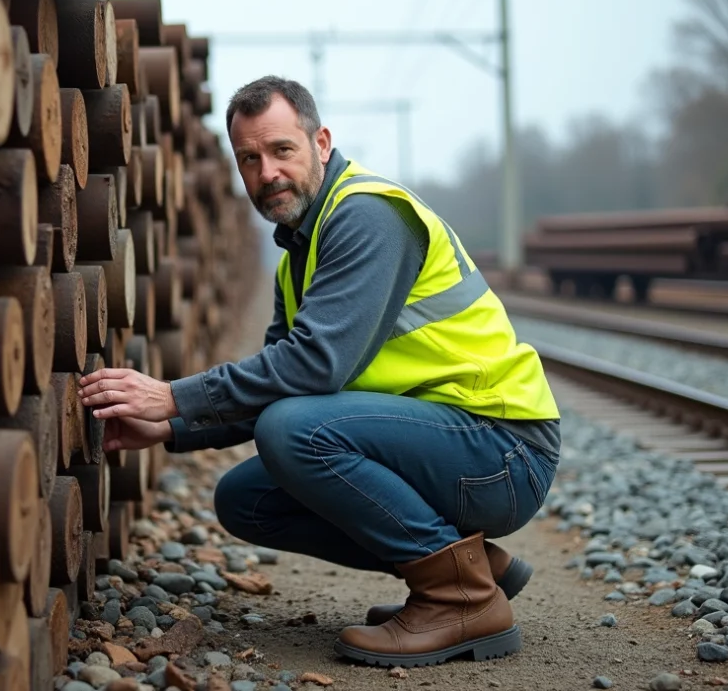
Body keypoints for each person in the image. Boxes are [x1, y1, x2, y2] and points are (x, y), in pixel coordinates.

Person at [77, 75, 561, 669]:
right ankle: (471, 568)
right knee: (246, 499)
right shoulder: (298, 257)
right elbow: (276, 382)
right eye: (249, 159)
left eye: (282, 150)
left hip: (503, 450)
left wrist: (174, 397)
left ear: (322, 143)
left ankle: (459, 598)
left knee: (292, 430)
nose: (267, 173)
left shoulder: (368, 216)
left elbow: (313, 366)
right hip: (445, 444)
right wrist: (172, 429)